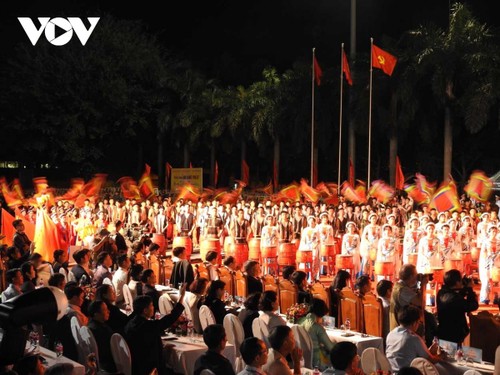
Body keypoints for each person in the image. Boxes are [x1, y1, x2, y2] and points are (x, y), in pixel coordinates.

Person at [124, 284, 186, 375]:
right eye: (152, 306)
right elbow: (170, 318)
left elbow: (144, 344)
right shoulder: (147, 326)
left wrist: (162, 347)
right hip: (149, 369)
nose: (153, 308)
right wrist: (181, 296)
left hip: (135, 366)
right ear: (145, 310)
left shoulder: (130, 323)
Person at [385, 305, 443, 372]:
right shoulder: (413, 338)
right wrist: (441, 356)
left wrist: (429, 351)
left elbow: (406, 354)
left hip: (391, 372)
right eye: (418, 322)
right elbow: (430, 361)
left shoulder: (391, 334)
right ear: (414, 323)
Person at [436, 269, 478, 344]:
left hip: (444, 333)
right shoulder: (455, 299)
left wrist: (465, 289)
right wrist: (470, 289)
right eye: (461, 280)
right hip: (455, 336)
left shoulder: (441, 293)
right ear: (457, 282)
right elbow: (473, 306)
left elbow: (456, 296)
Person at [299, 298, 334, 370]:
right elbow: (331, 348)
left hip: (304, 357)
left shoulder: (301, 321)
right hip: (317, 361)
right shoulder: (317, 327)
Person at [86, 300, 117, 374]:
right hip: (108, 365)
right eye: (105, 310)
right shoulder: (99, 331)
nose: (108, 311)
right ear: (96, 314)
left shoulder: (91, 324)